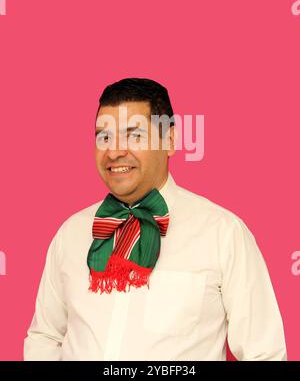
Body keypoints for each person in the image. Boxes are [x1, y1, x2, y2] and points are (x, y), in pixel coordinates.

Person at [24, 78, 287, 361]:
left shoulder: (223, 233)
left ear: (170, 140)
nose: (114, 151)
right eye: (104, 137)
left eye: (134, 135)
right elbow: (46, 336)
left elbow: (265, 354)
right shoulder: (71, 233)